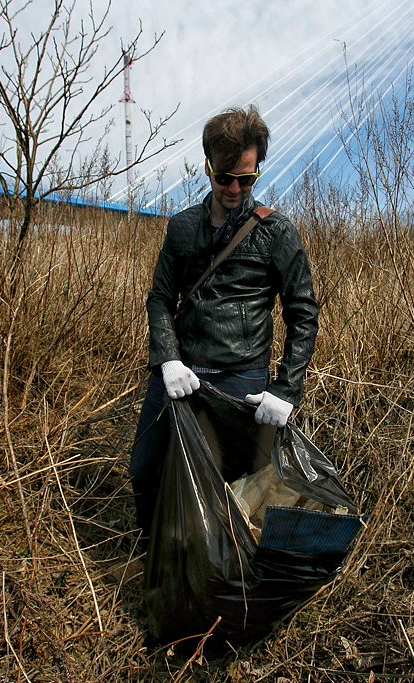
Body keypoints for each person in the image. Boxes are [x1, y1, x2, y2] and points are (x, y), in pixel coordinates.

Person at [129, 105, 319, 537]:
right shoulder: (182, 228)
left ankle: (218, 580)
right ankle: (151, 561)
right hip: (180, 375)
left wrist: (285, 389)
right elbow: (160, 297)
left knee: (225, 493)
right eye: (224, 177)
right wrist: (167, 360)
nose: (234, 188)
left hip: (240, 382)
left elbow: (303, 312)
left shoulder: (277, 232)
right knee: (146, 472)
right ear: (209, 167)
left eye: (247, 178)